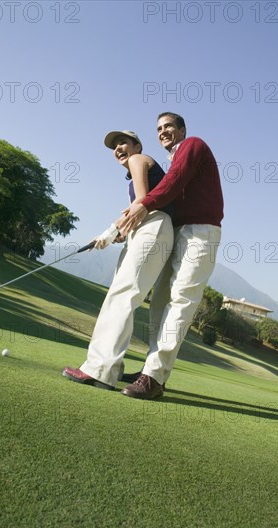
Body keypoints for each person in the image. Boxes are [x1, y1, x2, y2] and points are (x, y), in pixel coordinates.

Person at [117, 112, 224, 399]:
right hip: (175, 233)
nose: (163, 132)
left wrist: (144, 205)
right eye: (159, 129)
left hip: (201, 232)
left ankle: (154, 376)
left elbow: (174, 182)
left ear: (182, 129)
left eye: (168, 127)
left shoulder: (193, 146)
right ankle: (150, 369)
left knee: (181, 300)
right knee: (159, 303)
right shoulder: (172, 160)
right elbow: (169, 189)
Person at [62, 130, 174, 390]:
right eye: (114, 145)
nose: (118, 148)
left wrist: (111, 230)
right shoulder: (132, 176)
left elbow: (143, 202)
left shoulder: (139, 160)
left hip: (154, 225)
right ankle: (112, 366)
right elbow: (137, 211)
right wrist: (117, 234)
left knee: (121, 296)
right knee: (122, 295)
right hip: (150, 229)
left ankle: (101, 370)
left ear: (137, 145)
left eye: (123, 142)